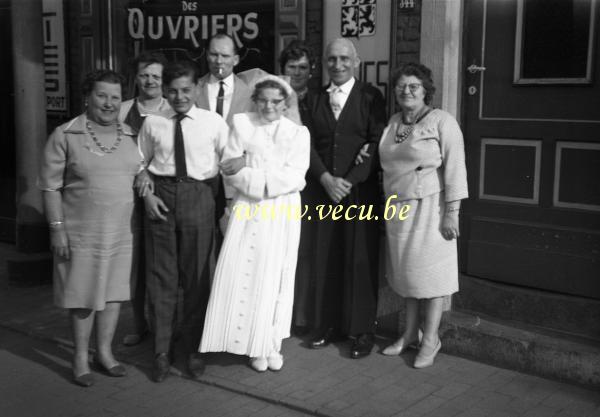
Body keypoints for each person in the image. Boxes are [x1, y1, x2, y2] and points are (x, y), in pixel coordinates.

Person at [199, 76, 310, 372]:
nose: (269, 106)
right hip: (247, 208)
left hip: (282, 211)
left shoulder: (298, 132)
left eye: (276, 101)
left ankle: (271, 342)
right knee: (248, 271)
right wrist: (250, 172)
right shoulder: (242, 124)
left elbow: (296, 177)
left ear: (286, 104)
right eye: (263, 100)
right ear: (255, 100)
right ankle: (250, 344)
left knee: (277, 275)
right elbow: (229, 171)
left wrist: (251, 168)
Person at [39, 70, 141, 387]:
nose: (109, 103)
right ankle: (80, 357)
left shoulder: (131, 136)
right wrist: (57, 229)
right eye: (101, 95)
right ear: (88, 97)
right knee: (84, 296)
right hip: (81, 232)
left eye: (114, 96)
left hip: (122, 231)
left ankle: (105, 353)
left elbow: (142, 171)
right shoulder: (65, 135)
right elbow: (50, 187)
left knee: (112, 294)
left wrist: (146, 177)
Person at [137, 60, 231, 383]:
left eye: (186, 90)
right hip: (161, 198)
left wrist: (231, 204)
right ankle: (162, 350)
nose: (179, 97)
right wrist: (147, 194)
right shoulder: (153, 122)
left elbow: (230, 161)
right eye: (173, 91)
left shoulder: (213, 122)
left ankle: (193, 347)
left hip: (199, 196)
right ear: (165, 90)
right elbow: (139, 162)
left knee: (196, 276)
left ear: (196, 89)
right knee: (161, 276)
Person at [378, 62, 468, 368]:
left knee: (431, 279)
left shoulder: (442, 121)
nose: (407, 91)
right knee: (408, 276)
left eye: (414, 86)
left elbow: (456, 168)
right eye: (401, 86)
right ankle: (409, 334)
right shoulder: (393, 123)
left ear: (426, 90)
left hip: (432, 209)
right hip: (399, 208)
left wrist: (452, 214)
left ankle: (431, 340)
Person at [307, 38, 386, 358]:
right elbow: (306, 145)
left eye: (343, 59)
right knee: (326, 257)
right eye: (331, 59)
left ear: (356, 62)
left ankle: (362, 331)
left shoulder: (371, 96)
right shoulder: (313, 99)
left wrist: (349, 182)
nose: (337, 65)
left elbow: (376, 141)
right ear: (324, 63)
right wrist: (326, 178)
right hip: (324, 192)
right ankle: (329, 325)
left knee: (360, 259)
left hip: (360, 194)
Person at [118, 50, 171, 348]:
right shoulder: (123, 109)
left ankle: (165, 325)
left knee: (160, 265)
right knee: (134, 265)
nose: (150, 81)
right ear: (136, 79)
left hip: (160, 198)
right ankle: (139, 325)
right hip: (128, 199)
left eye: (156, 76)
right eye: (144, 75)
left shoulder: (172, 110)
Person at [279, 40, 317, 335]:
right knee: (279, 251)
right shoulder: (272, 99)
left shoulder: (318, 99)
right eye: (292, 67)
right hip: (280, 186)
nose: (297, 73)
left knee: (305, 252)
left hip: (312, 185)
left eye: (303, 67)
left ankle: (301, 316)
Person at [195, 33, 253, 126]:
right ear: (207, 56)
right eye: (214, 55)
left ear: (235, 60)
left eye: (225, 56)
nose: (219, 61)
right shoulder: (194, 88)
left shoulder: (249, 93)